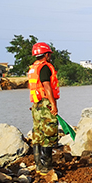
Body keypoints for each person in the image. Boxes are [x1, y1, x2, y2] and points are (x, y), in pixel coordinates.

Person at [27, 42, 60, 175]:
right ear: (46, 55)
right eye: (49, 54)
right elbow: (47, 86)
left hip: (36, 105)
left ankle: (38, 166)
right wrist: (53, 104)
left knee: (38, 134)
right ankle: (46, 168)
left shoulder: (33, 68)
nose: (50, 56)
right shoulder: (45, 67)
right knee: (49, 133)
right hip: (45, 104)